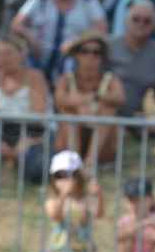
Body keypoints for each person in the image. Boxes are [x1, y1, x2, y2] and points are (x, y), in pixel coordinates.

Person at [11, 0, 108, 82]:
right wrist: (31, 37)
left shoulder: (89, 3)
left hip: (72, 64)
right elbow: (16, 25)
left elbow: (101, 30)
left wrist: (77, 43)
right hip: (38, 60)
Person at [0, 33, 50, 182]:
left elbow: (39, 116)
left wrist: (23, 145)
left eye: (8, 53)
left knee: (36, 170)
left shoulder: (35, 77)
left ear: (22, 54)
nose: (3, 58)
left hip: (33, 134)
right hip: (3, 134)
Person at [44, 150, 108, 252]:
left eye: (70, 175)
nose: (65, 180)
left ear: (78, 177)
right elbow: (55, 215)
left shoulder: (86, 200)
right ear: (53, 180)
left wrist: (99, 195)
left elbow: (99, 214)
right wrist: (64, 196)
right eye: (60, 176)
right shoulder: (53, 201)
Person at [53, 32, 125, 167]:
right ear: (76, 55)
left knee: (108, 110)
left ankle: (90, 163)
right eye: (84, 51)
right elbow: (59, 100)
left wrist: (95, 98)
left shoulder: (110, 79)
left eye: (96, 52)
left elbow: (120, 98)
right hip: (70, 138)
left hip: (103, 146)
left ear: (102, 57)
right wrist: (83, 107)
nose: (90, 57)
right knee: (69, 112)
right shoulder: (66, 79)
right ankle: (75, 163)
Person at [107, 0, 155, 115]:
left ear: (154, 25)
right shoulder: (108, 46)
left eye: (147, 21)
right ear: (126, 21)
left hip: (142, 119)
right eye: (136, 19)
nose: (141, 24)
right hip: (108, 113)